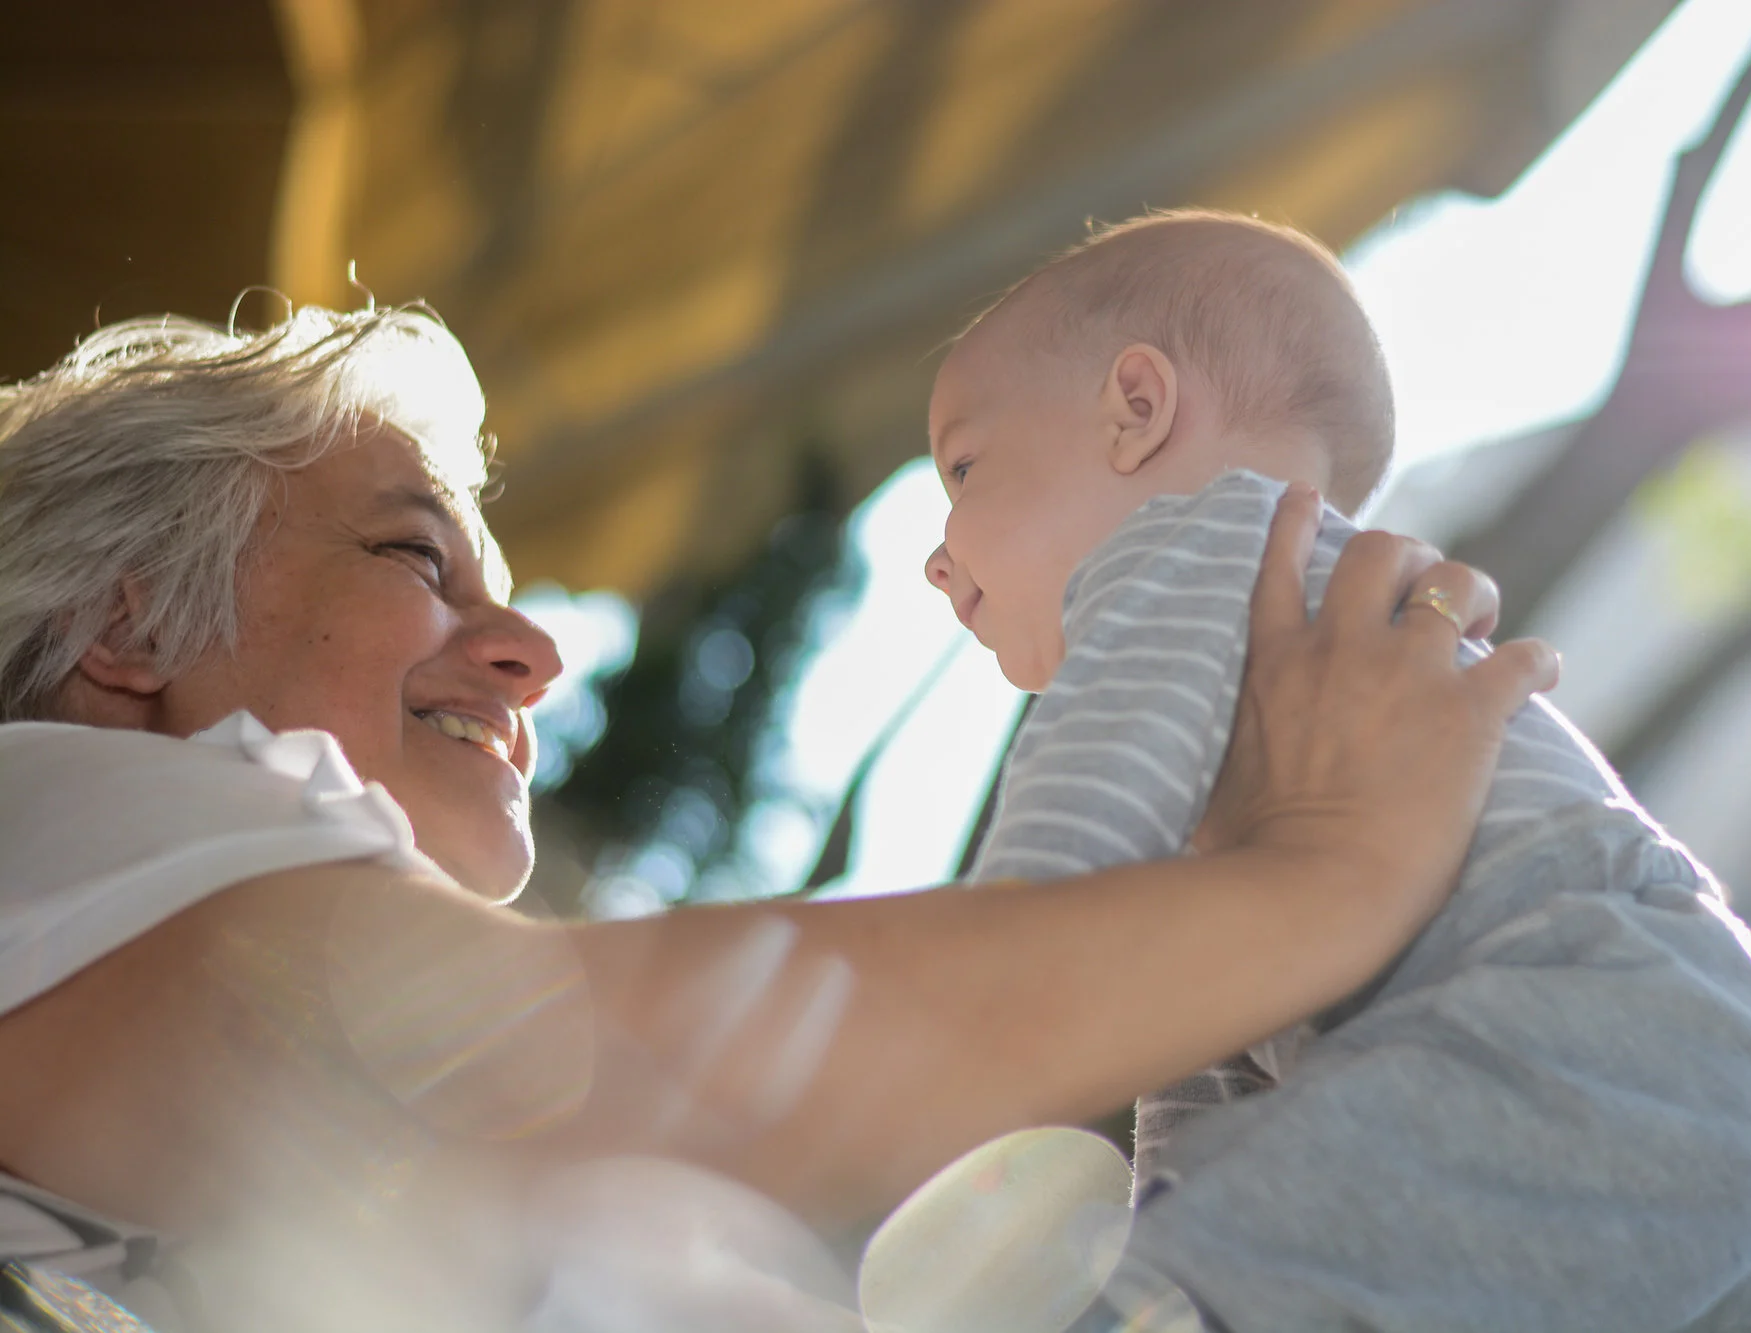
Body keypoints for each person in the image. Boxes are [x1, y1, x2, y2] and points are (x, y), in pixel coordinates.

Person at [0, 305, 1553, 1330]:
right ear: (127, 631)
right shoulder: (45, 806)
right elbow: (621, 1063)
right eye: (416, 559)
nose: (534, 650)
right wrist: (1334, 872)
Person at [923, 209, 1751, 1331]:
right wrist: (1165, 1208)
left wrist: (950, 1013)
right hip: (1692, 1069)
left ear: (1135, 409)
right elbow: (1204, 1068)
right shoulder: (1282, 643)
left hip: (1581, 1007)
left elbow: (1062, 860)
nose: (936, 553)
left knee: (1169, 1301)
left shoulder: (1196, 541)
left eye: (962, 467)